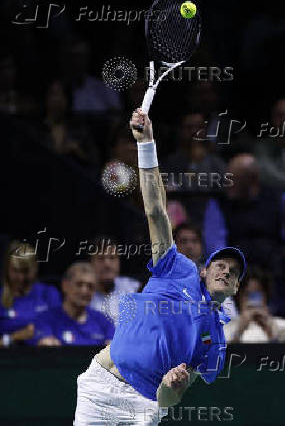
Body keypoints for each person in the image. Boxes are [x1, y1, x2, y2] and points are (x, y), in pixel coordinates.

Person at [73, 109, 247, 425]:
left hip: (144, 407)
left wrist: (170, 386)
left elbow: (169, 400)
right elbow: (156, 211)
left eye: (233, 273)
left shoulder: (214, 342)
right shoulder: (176, 267)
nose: (225, 272)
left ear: (235, 288)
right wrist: (146, 143)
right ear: (204, 270)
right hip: (99, 387)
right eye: (220, 265)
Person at [203, 153, 283, 268]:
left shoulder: (275, 199)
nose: (227, 183)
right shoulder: (218, 204)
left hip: (274, 267)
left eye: (233, 179)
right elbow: (216, 248)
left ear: (252, 180)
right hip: (235, 269)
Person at [35, 262, 114, 346]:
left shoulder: (103, 321)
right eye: (79, 285)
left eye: (90, 286)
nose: (84, 291)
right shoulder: (46, 319)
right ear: (65, 286)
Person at [0, 240, 61, 347]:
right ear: (7, 269)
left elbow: (60, 328)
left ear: (35, 268)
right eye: (15, 271)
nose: (21, 278)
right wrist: (14, 337)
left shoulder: (49, 294)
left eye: (25, 271)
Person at [224, 266, 285, 343]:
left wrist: (270, 333)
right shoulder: (225, 331)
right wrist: (239, 332)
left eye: (257, 295)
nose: (252, 302)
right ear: (238, 298)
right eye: (248, 295)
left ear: (266, 296)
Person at [89, 236, 141, 315]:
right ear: (91, 263)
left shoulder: (134, 288)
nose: (107, 264)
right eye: (100, 258)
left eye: (112, 258)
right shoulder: (83, 294)